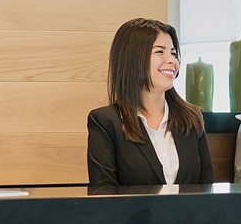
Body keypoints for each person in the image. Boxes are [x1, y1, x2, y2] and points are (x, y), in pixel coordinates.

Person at [85, 17, 213, 186]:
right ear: (132, 59)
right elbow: (104, 194)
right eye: (160, 52)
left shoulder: (191, 119)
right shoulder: (105, 122)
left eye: (173, 53)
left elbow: (207, 189)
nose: (171, 61)